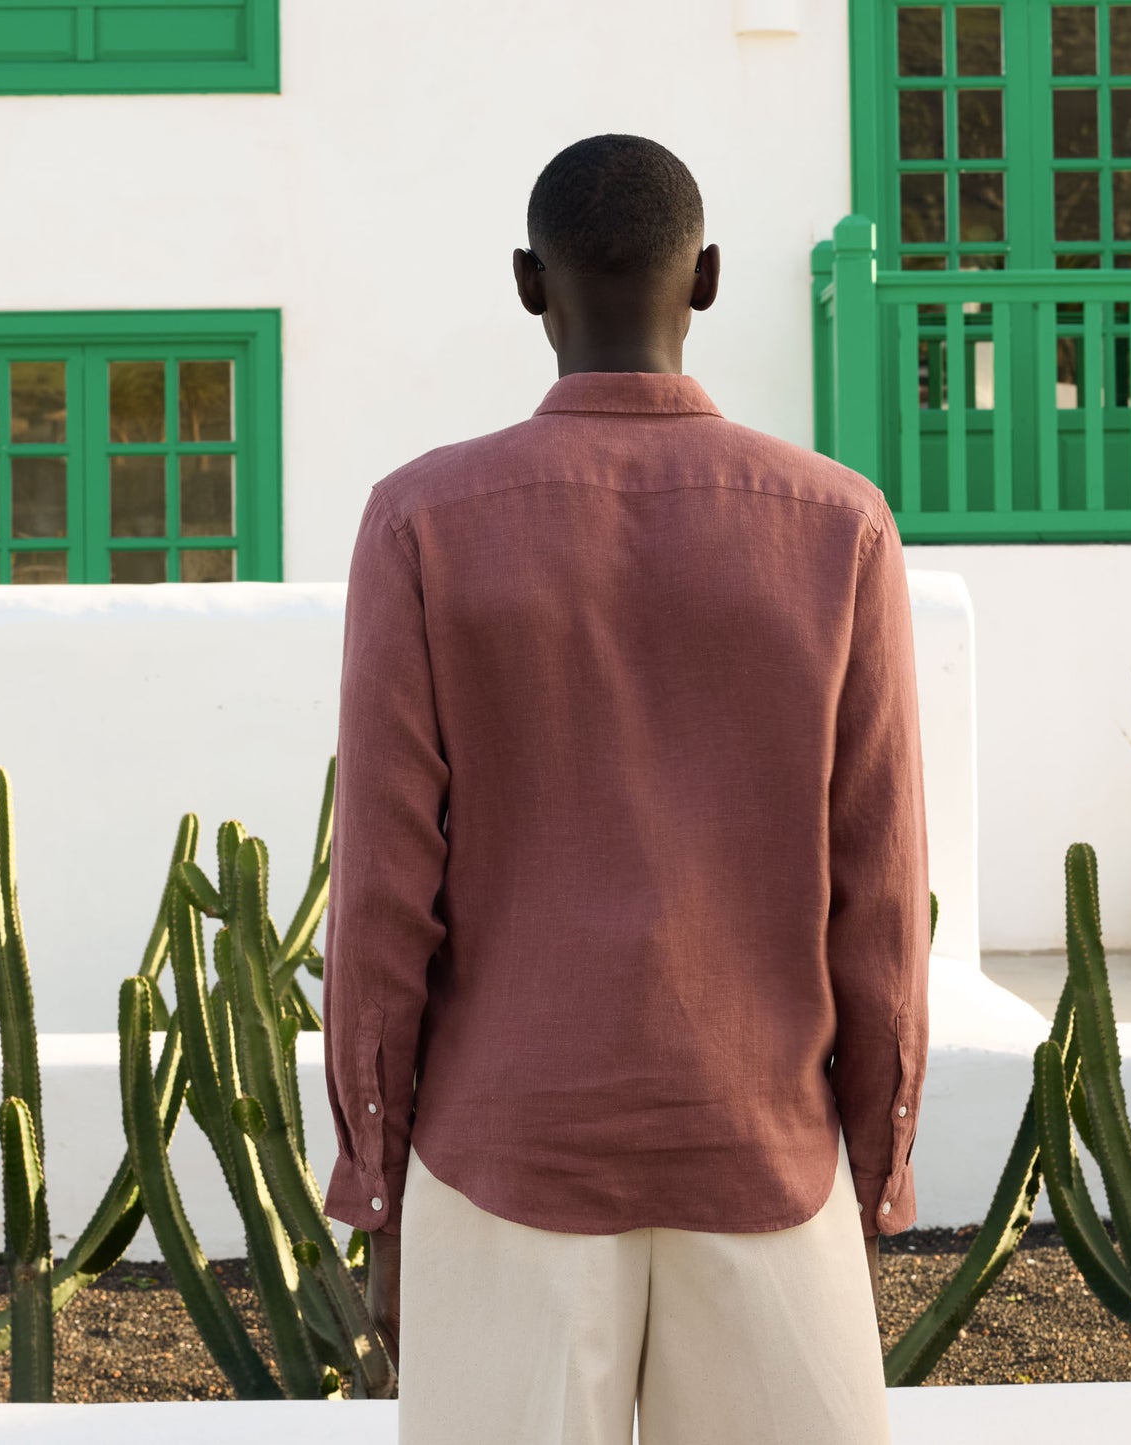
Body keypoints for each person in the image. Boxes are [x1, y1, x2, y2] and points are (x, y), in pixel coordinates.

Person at [321, 132, 930, 1444]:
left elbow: (380, 891)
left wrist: (377, 1185)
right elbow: (878, 894)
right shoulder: (839, 525)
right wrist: (875, 1171)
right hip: (762, 1148)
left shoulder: (420, 522)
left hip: (501, 1161)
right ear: (703, 277)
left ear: (528, 282)